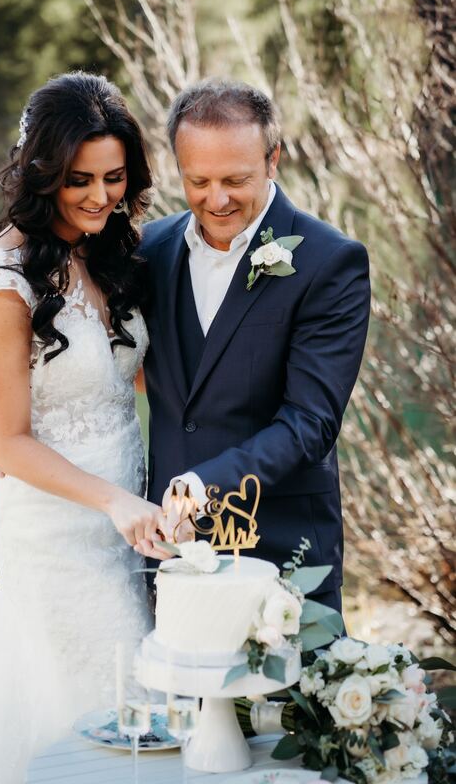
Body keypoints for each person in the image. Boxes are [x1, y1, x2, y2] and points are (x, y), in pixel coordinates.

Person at [0, 71, 170, 784]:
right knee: (97, 713)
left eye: (114, 178)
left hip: (129, 521)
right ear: (40, 175)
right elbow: (5, 442)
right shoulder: (2, 284)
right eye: (78, 181)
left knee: (132, 700)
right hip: (57, 530)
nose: (99, 196)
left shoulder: (107, 251)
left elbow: (137, 374)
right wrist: (114, 502)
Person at [136, 80, 371, 613]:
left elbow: (310, 422)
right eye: (198, 181)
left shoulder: (330, 262)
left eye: (235, 180)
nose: (216, 200)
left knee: (286, 700)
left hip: (283, 548)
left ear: (273, 159)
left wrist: (204, 485)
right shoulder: (149, 249)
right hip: (170, 547)